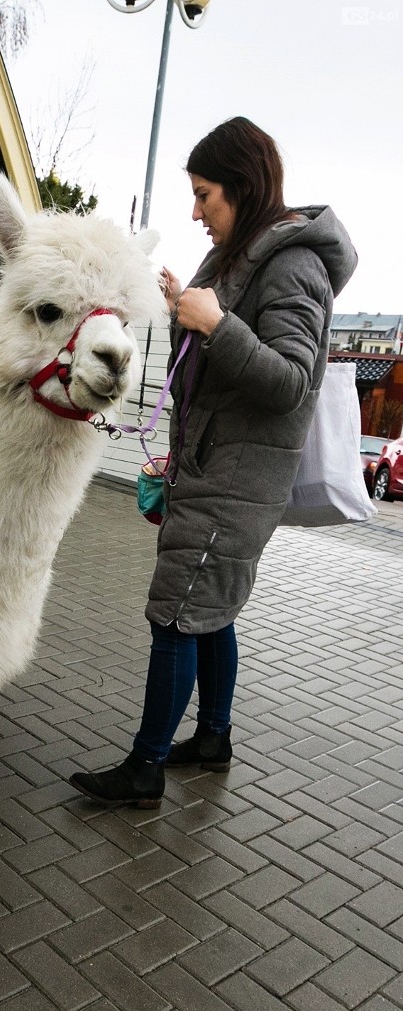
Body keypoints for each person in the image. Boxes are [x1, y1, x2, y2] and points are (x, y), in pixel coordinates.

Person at [69, 116, 357, 809]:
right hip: (210, 465)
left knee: (174, 613)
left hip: (237, 480)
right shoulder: (239, 255)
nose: (195, 212)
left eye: (206, 196)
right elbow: (219, 369)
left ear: (243, 187)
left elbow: (292, 379)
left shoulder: (294, 265)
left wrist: (215, 324)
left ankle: (144, 769)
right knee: (211, 612)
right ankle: (214, 737)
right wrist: (184, 308)